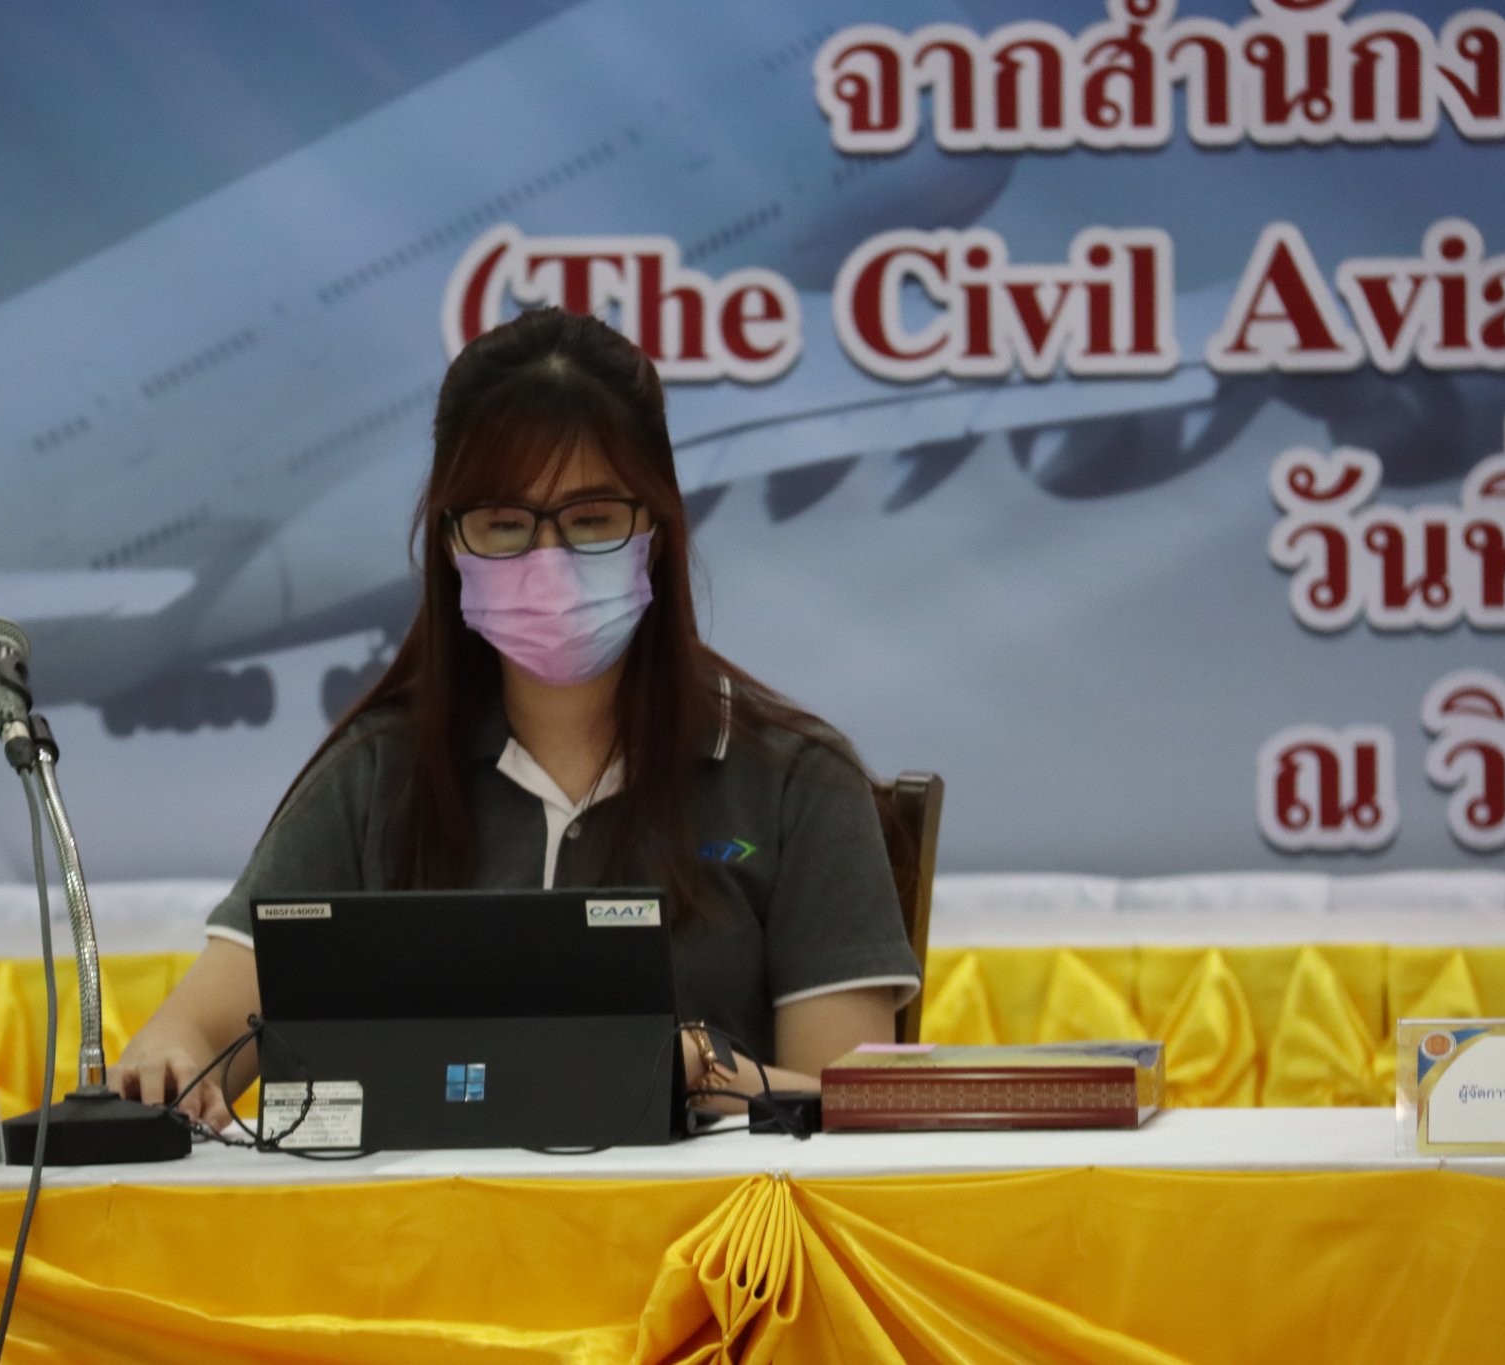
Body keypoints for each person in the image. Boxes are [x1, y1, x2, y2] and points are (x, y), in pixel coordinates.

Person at [114, 307, 920, 1127]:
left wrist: (698, 1069)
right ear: (451, 542)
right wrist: (168, 1052)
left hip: (699, 1215)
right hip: (419, 1212)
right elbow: (196, 1033)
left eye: (591, 517)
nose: (549, 558)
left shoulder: (793, 781)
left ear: (657, 525)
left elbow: (850, 1110)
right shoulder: (376, 772)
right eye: (504, 523)